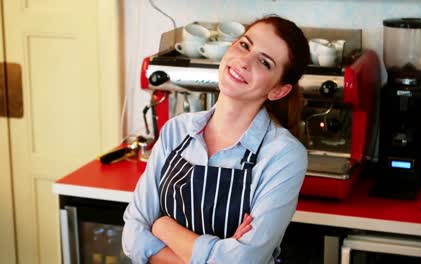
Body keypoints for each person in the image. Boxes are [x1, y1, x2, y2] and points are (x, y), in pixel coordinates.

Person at [122, 15, 311, 264]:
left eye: (264, 62)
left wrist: (161, 225)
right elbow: (132, 237)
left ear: (278, 90)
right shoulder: (176, 131)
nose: (244, 61)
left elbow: (242, 261)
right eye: (245, 45)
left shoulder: (283, 155)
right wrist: (218, 252)